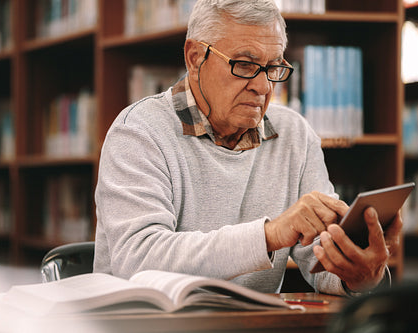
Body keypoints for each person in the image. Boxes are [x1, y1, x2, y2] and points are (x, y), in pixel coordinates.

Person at [94, 0, 401, 295]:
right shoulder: (138, 131)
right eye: (244, 64)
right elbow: (137, 260)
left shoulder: (294, 134)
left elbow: (320, 262)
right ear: (194, 58)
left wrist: (357, 272)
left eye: (273, 68)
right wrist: (269, 235)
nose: (264, 86)